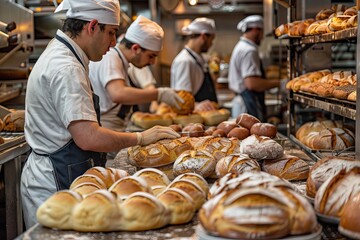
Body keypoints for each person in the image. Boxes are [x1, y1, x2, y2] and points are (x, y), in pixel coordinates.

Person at [21, 0, 179, 228]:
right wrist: (141, 138)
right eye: (112, 33)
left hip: (65, 171)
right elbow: (88, 137)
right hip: (55, 182)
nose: (114, 43)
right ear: (92, 26)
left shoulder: (68, 55)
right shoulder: (67, 67)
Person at [89, 16, 182, 132]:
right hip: (106, 129)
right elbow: (118, 93)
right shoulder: (111, 58)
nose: (152, 62)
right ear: (135, 48)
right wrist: (159, 94)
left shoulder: (120, 60)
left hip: (117, 128)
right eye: (151, 56)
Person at [228, 15, 283, 122]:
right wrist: (279, 83)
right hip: (248, 104)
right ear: (255, 30)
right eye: (262, 32)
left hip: (243, 102)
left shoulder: (241, 46)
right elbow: (252, 83)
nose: (262, 37)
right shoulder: (249, 50)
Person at [170, 17, 218, 112]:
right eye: (211, 40)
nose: (211, 44)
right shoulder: (184, 61)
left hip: (205, 115)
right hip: (193, 120)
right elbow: (181, 99)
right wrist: (197, 105)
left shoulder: (199, 58)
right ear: (203, 36)